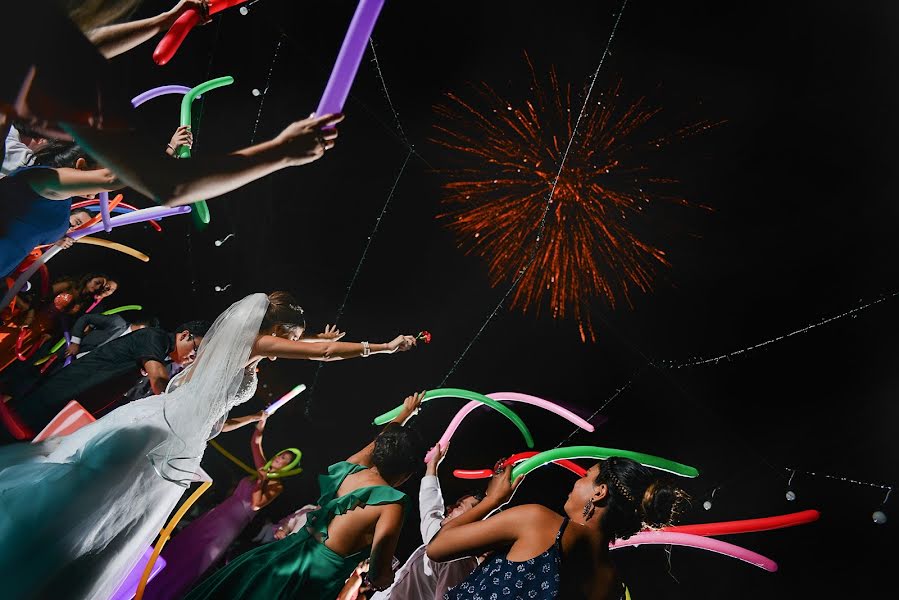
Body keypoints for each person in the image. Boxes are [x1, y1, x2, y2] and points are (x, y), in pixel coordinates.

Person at [0, 292, 417, 599]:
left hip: (169, 428)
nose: (282, 351)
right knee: (95, 505)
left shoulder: (238, 348)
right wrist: (381, 347)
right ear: (272, 332)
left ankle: (43, 567)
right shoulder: (250, 343)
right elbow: (321, 352)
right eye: (287, 340)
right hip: (164, 436)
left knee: (96, 505)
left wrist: (250, 414)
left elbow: (297, 352)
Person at [184, 392, 428, 600]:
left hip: (281, 554)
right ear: (407, 473)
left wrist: (404, 414)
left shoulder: (349, 470)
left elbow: (376, 444)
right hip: (312, 580)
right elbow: (379, 572)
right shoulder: (393, 503)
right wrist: (386, 579)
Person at [426, 457, 689, 600]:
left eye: (585, 476)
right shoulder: (614, 588)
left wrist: (494, 500)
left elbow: (437, 548)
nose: (577, 481)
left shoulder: (537, 521)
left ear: (599, 492)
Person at [143, 412, 299, 600]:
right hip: (218, 513)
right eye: (281, 455)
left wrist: (261, 482)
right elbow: (255, 442)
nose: (280, 459)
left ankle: (161, 594)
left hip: (230, 525)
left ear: (288, 467)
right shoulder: (262, 470)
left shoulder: (276, 484)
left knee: (197, 559)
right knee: (186, 543)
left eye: (285, 460)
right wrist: (261, 421)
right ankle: (147, 577)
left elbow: (257, 504)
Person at [1, 320, 210, 438]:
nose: (192, 359)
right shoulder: (155, 338)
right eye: (195, 351)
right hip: (67, 390)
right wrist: (182, 407)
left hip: (77, 403)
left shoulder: (163, 355)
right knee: (14, 428)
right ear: (184, 335)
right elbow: (159, 381)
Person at [370, 443, 482, 600]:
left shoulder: (458, 559)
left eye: (459, 506)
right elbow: (431, 509)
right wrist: (432, 465)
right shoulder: (440, 539)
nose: (449, 507)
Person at [66, 312, 157, 357]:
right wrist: (75, 342)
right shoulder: (117, 322)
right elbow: (86, 318)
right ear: (142, 327)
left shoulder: (133, 346)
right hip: (75, 351)